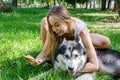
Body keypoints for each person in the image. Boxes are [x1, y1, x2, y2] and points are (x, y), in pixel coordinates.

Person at [24, 6, 110, 72]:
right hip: (62, 41)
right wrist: (36, 61)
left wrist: (71, 68)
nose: (54, 29)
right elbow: (44, 52)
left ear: (67, 21)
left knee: (105, 42)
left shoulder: (81, 30)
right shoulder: (54, 31)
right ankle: (50, 57)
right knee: (44, 21)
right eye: (52, 26)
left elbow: (95, 66)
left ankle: (83, 49)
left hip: (77, 40)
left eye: (57, 25)